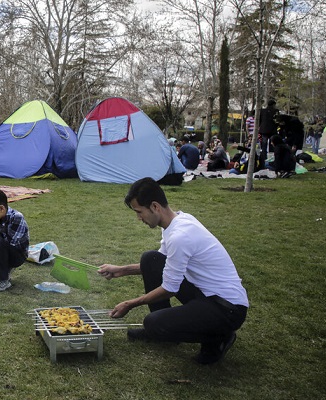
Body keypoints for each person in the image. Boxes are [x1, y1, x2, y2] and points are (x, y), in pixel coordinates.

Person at [98, 177, 248, 364]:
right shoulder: (177, 221)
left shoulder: (180, 236)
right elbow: (163, 265)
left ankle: (219, 337)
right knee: (150, 259)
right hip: (206, 294)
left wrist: (130, 303)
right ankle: (166, 332)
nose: (139, 218)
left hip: (227, 309)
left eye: (139, 212)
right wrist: (121, 270)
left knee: (153, 323)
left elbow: (170, 288)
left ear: (154, 206)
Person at [258, 99, 278, 166]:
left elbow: (260, 120)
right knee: (271, 145)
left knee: (264, 145)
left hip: (264, 130)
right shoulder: (275, 111)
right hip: (272, 130)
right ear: (273, 105)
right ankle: (271, 159)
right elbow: (277, 120)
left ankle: (264, 158)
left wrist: (260, 126)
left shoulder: (262, 111)